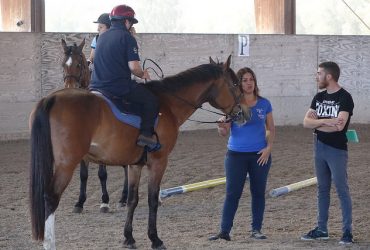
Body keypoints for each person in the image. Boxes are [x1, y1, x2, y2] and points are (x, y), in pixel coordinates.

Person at [209, 67, 275, 241]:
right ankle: (224, 231)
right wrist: (220, 127)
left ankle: (256, 229)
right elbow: (224, 132)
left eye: (251, 79)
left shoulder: (264, 103)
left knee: (258, 193)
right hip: (235, 156)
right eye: (245, 80)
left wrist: (268, 149)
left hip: (260, 156)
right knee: (232, 194)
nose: (249, 83)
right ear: (239, 83)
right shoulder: (233, 105)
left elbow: (271, 129)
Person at [90, 4, 160, 149]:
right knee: (151, 100)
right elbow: (134, 67)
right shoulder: (127, 38)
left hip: (96, 86)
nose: (131, 25)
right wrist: (143, 74)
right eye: (131, 23)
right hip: (117, 87)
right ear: (127, 22)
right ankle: (146, 136)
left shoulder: (101, 37)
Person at [301, 61, 354, 244]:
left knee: (341, 189)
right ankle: (322, 229)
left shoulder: (345, 97)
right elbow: (306, 123)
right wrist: (326, 122)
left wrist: (319, 123)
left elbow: (339, 127)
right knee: (322, 189)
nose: (316, 76)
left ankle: (347, 231)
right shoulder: (319, 97)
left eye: (319, 73)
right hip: (319, 147)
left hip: (337, 150)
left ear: (329, 76)